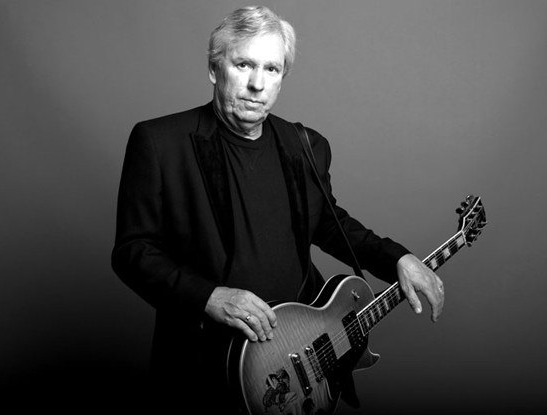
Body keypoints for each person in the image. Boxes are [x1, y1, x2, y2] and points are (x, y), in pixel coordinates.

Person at [111, 5, 444, 413]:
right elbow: (132, 252)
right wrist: (209, 297)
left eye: (271, 69)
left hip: (297, 365)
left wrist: (397, 259)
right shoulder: (159, 143)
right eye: (244, 64)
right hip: (203, 368)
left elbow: (329, 224)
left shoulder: (305, 145)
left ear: (282, 77)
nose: (257, 84)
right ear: (215, 69)